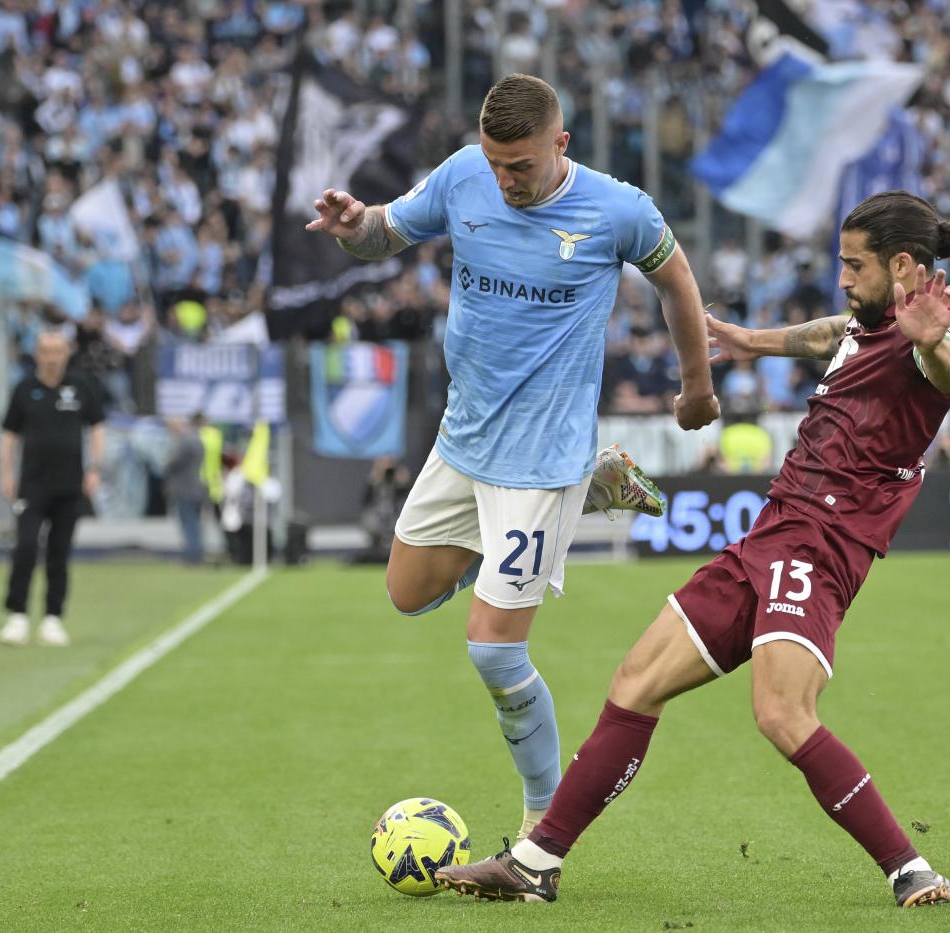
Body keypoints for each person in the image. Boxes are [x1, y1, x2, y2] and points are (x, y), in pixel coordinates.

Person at [437, 191, 950, 908]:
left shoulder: (929, 327)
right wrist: (753, 341)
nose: (843, 277)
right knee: (635, 682)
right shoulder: (871, 317)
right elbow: (832, 334)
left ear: (901, 264)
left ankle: (912, 869)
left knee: (782, 714)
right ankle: (536, 862)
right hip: (773, 531)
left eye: (855, 265)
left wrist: (933, 340)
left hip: (820, 544)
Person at [306, 74, 720, 840]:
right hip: (463, 441)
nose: (505, 181)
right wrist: (354, 222)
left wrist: (696, 386)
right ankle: (597, 492)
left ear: (560, 144)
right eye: (496, 164)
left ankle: (541, 820)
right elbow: (385, 232)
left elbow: (678, 283)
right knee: (405, 593)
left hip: (541, 459)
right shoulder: (465, 174)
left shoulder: (618, 210)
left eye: (520, 166)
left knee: (493, 651)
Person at [0, 332, 105, 647]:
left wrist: (95, 468)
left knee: (60, 553)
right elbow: (9, 434)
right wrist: (7, 474)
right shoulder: (25, 389)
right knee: (26, 546)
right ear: (37, 353)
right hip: (32, 485)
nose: (52, 357)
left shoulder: (81, 387)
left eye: (58, 351)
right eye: (46, 351)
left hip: (69, 485)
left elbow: (97, 426)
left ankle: (52, 618)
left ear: (67, 353)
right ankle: (17, 615)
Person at [163, 416, 207, 564]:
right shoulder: (197, 439)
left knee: (189, 524)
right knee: (194, 523)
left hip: (185, 489)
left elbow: (172, 463)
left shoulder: (185, 441)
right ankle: (195, 554)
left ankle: (192, 556)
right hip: (197, 487)